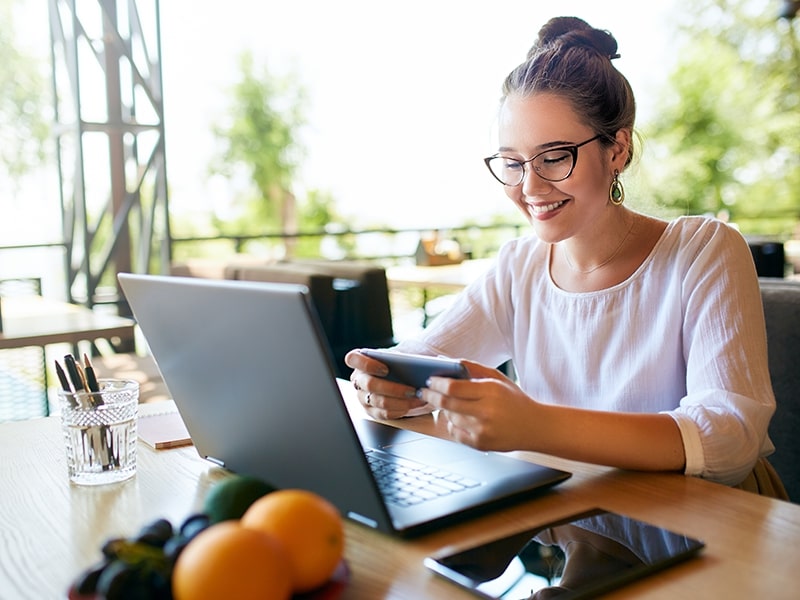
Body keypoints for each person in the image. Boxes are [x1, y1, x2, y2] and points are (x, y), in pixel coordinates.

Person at [346, 16, 785, 495]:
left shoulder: (702, 251)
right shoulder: (520, 267)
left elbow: (728, 436)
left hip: (719, 532)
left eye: (554, 156)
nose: (530, 187)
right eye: (512, 163)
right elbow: (426, 356)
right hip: (587, 523)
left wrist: (536, 425)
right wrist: (385, 385)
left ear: (617, 149)